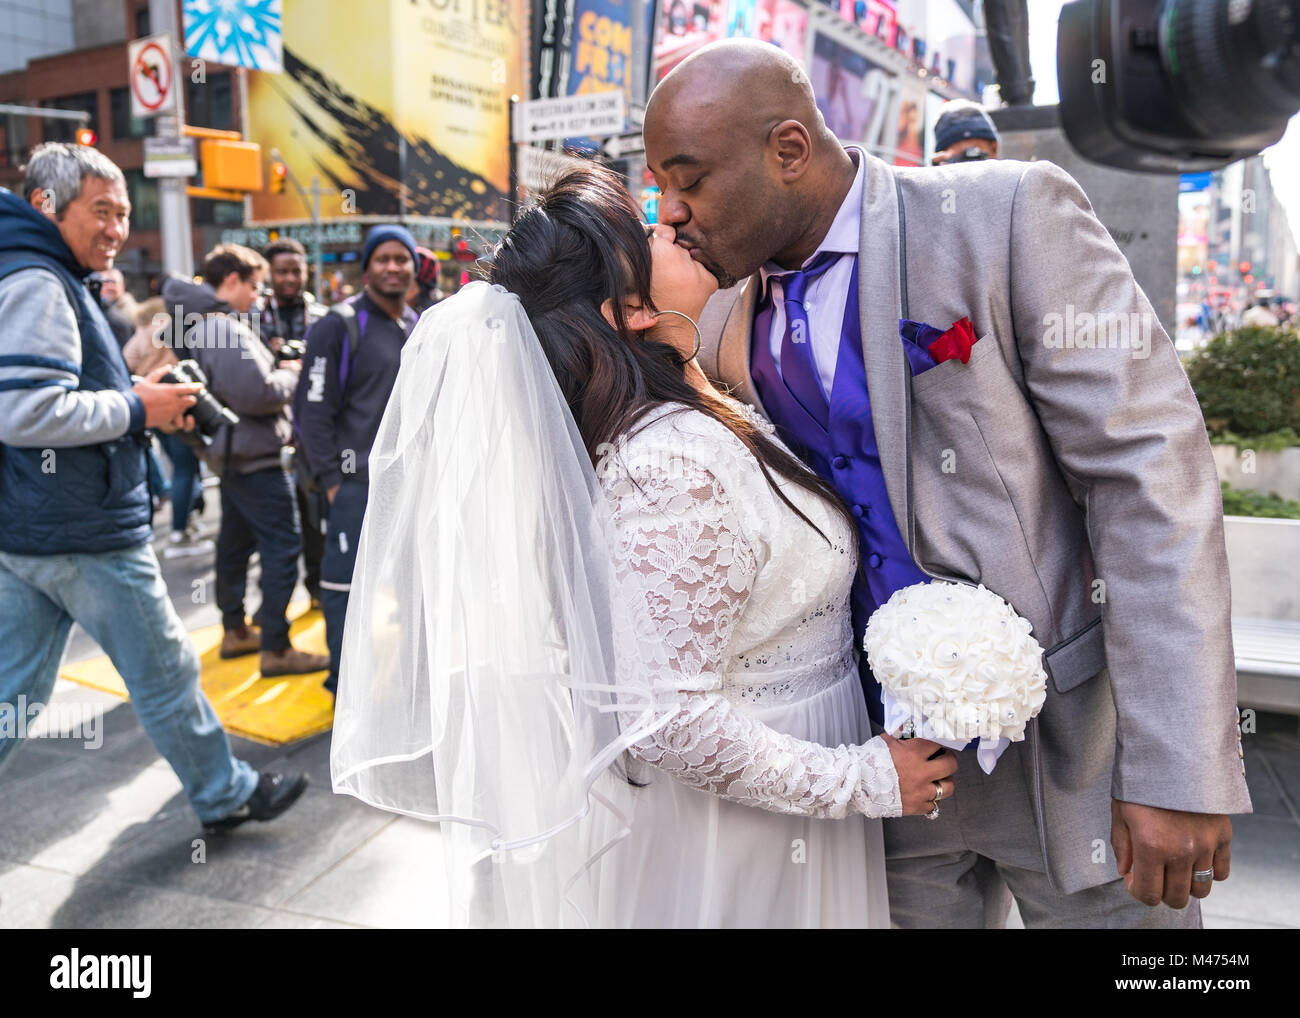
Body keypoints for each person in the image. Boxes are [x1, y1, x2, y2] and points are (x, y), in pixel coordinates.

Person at [644, 39, 1252, 928]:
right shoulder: (725, 311)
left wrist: (1179, 763)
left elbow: (1148, 472)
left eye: (688, 180)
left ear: (788, 150)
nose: (671, 212)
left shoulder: (1003, 216)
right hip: (876, 768)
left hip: (1071, 751)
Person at [331, 166, 957, 928]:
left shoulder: (694, 398)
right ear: (626, 308)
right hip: (744, 833)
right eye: (655, 231)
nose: (680, 225)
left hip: (777, 801)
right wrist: (864, 780)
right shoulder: (669, 467)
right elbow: (666, 717)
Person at [0, 142, 307, 830]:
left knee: (12, 690)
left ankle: (222, 791)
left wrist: (129, 393)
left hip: (36, 525)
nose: (116, 228)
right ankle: (225, 793)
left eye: (125, 212)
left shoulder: (35, 270)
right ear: (46, 205)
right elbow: (24, 412)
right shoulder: (39, 282)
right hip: (85, 529)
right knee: (165, 671)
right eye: (101, 210)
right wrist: (141, 408)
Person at [161, 245, 329, 677]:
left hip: (232, 455)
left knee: (234, 545)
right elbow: (259, 393)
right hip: (254, 457)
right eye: (254, 285)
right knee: (283, 546)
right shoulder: (223, 328)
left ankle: (236, 629)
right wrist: (293, 372)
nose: (259, 295)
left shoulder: (204, 325)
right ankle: (275, 645)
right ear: (231, 281)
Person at [296, 225, 418, 693]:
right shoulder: (339, 324)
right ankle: (343, 686)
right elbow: (312, 411)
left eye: (401, 258)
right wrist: (333, 481)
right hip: (353, 485)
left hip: (405, 483)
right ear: (367, 268)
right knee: (347, 590)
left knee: (406, 585)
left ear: (412, 267)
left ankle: (400, 683)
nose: (393, 266)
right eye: (383, 258)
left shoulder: (415, 324)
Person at [260, 237, 327, 606]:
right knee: (273, 527)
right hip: (269, 433)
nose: (289, 278)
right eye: (281, 271)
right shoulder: (252, 317)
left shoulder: (322, 317)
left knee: (314, 516)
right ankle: (268, 608)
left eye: (295, 270)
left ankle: (317, 587)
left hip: (309, 431)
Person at [123, 296, 211, 554]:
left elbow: (125, 363)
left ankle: (185, 523)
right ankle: (179, 531)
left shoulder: (140, 333)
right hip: (177, 402)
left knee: (178, 466)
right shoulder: (175, 328)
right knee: (186, 468)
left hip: (152, 407)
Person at [929, 98, 999, 165]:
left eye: (974, 153)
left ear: (994, 147)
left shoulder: (1007, 173)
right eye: (959, 157)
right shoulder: (941, 173)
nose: (968, 164)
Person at [90, 267, 137, 347]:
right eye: (105, 283)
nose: (109, 287)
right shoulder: (94, 311)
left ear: (122, 287)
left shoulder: (134, 314)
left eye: (113, 282)